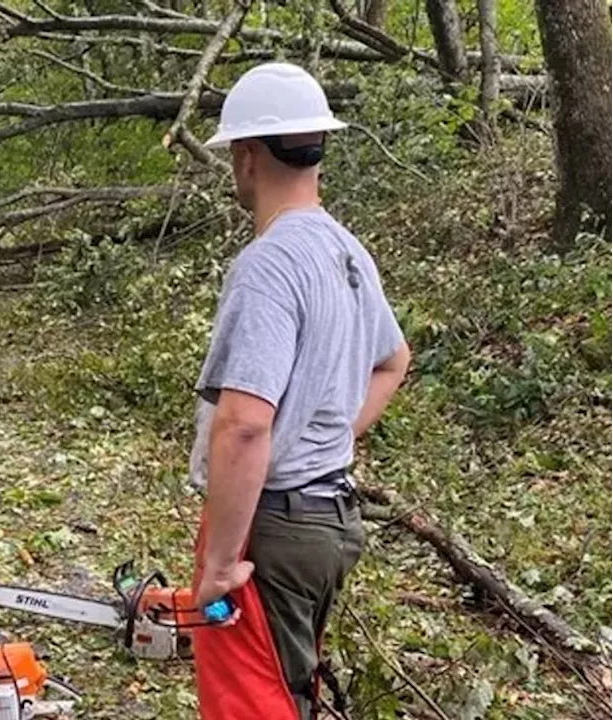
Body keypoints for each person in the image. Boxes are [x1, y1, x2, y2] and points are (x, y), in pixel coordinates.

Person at [184, 64, 411, 719]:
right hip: (329, 519)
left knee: (256, 703)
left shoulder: (268, 265)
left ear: (247, 155)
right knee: (292, 688)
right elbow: (394, 362)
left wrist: (223, 564)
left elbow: (245, 425)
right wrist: (332, 437)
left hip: (278, 526)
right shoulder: (346, 252)